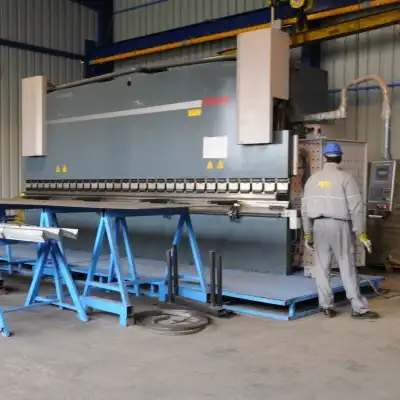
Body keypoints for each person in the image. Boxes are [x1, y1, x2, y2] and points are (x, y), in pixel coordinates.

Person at [301, 142, 379, 319]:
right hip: (340, 225)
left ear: (324, 158)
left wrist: (308, 233)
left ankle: (326, 306)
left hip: (318, 226)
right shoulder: (346, 178)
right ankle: (358, 308)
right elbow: (356, 209)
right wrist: (361, 233)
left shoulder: (312, 180)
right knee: (347, 266)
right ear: (340, 157)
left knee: (322, 268)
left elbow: (304, 210)